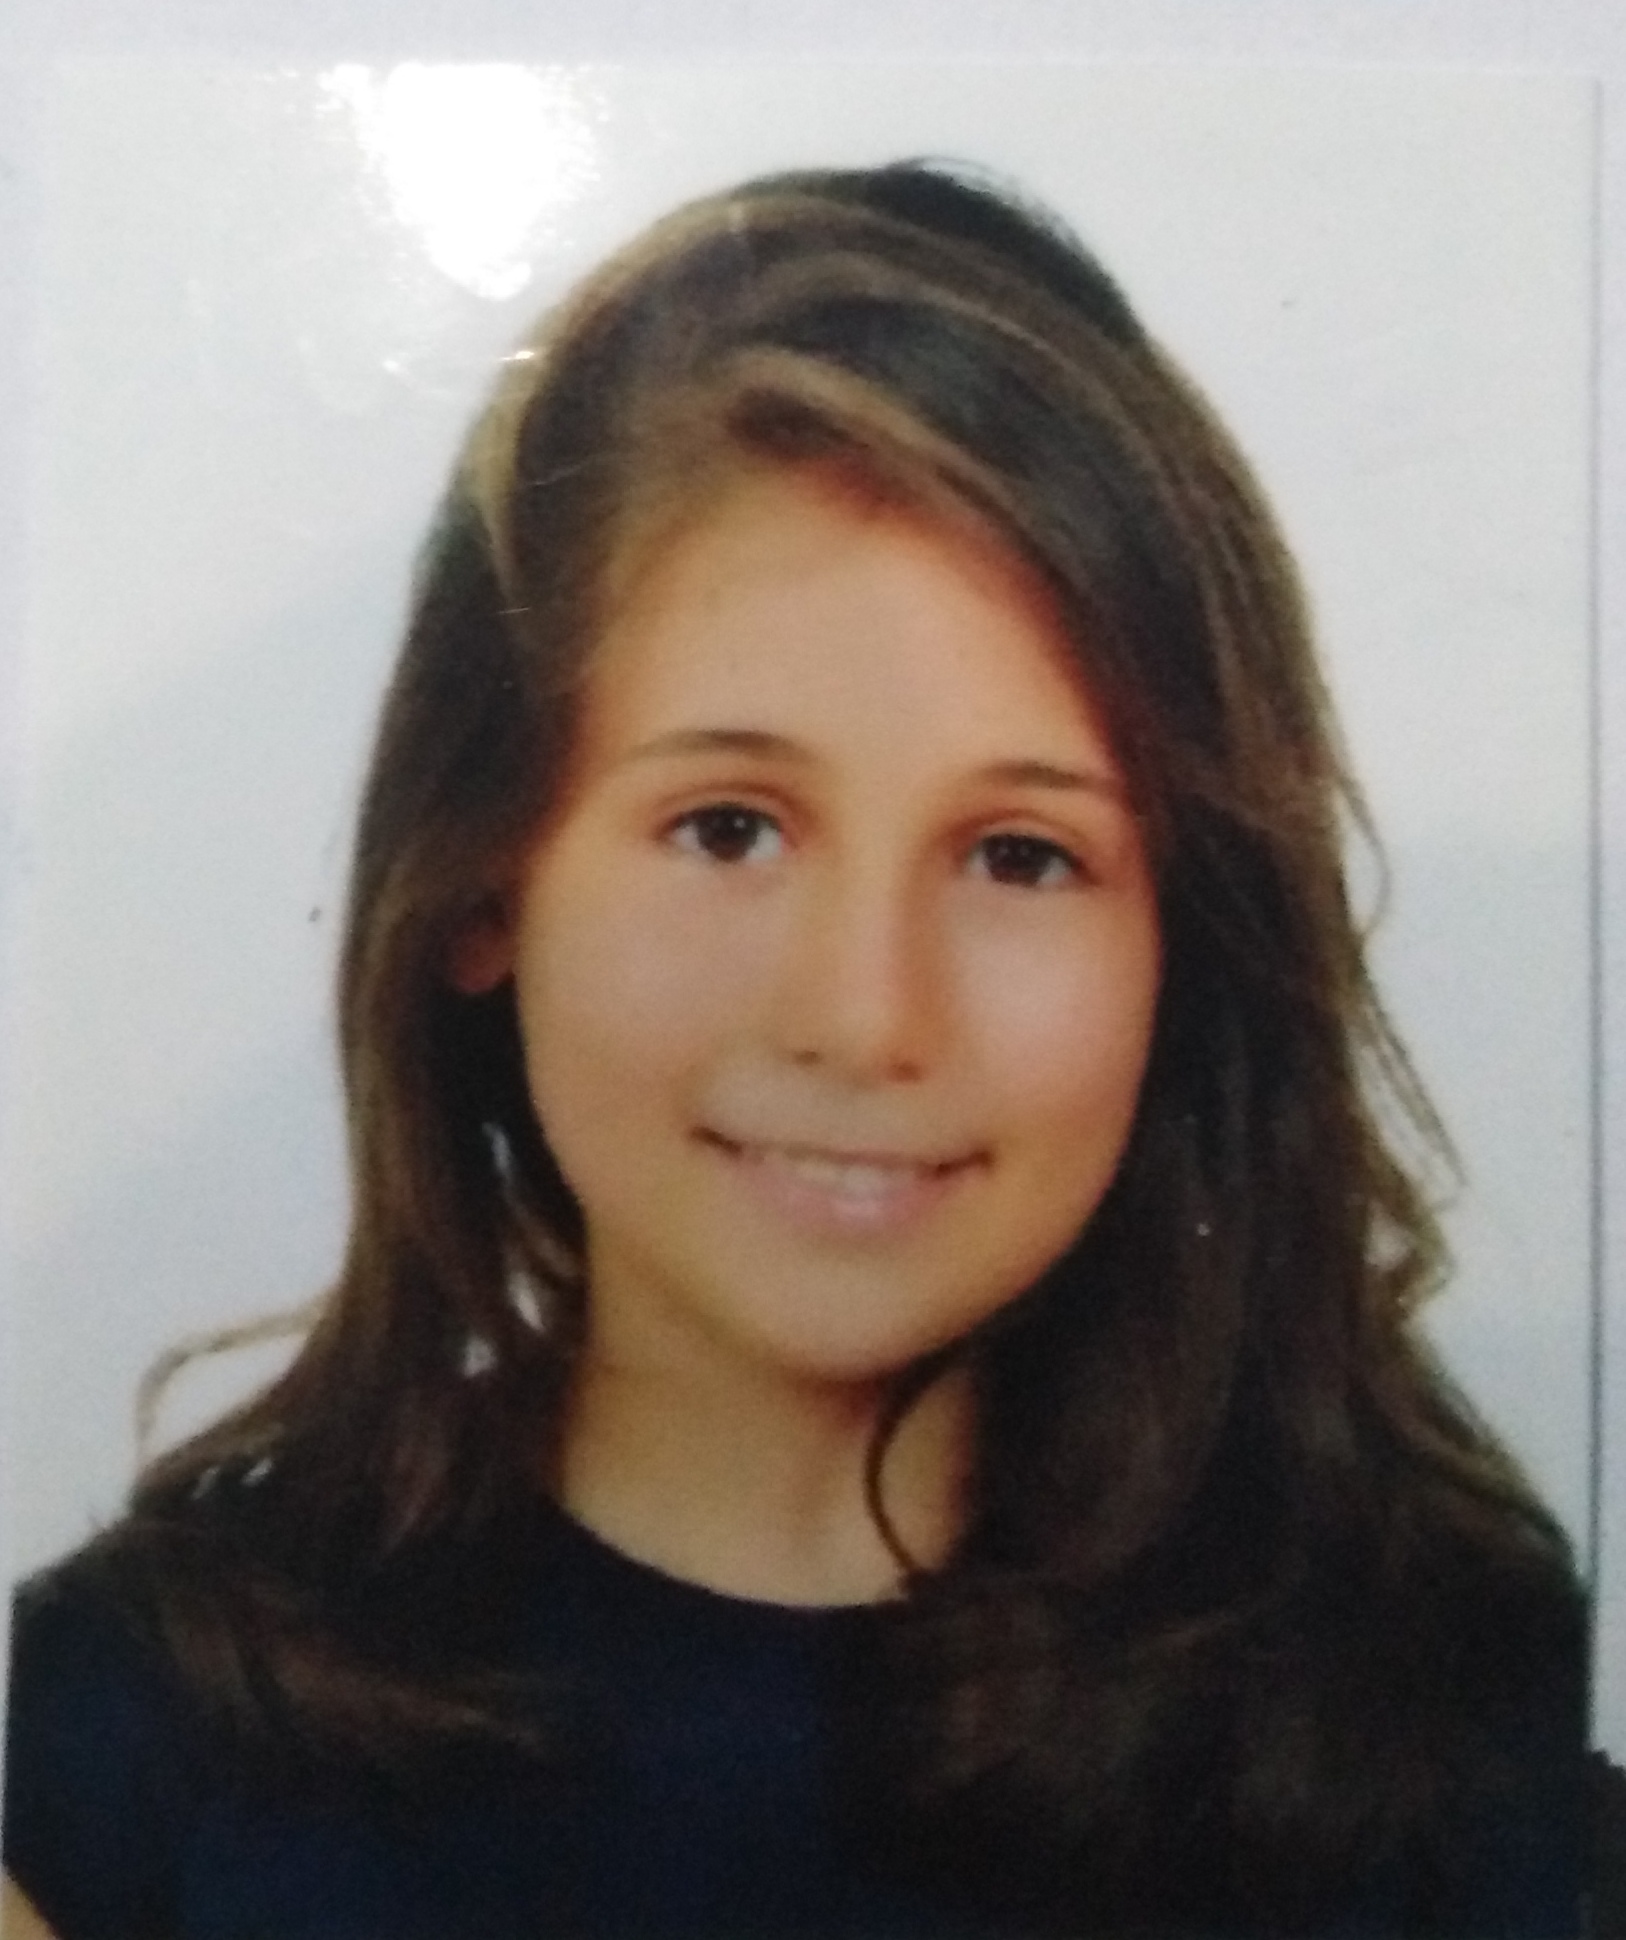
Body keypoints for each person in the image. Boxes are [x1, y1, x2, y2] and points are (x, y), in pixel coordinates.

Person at [1, 160, 1588, 1939]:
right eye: (729, 828)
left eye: (1019, 856)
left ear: (1189, 947)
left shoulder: (1463, 1764)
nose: (862, 1014)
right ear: (483, 881)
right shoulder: (125, 1753)